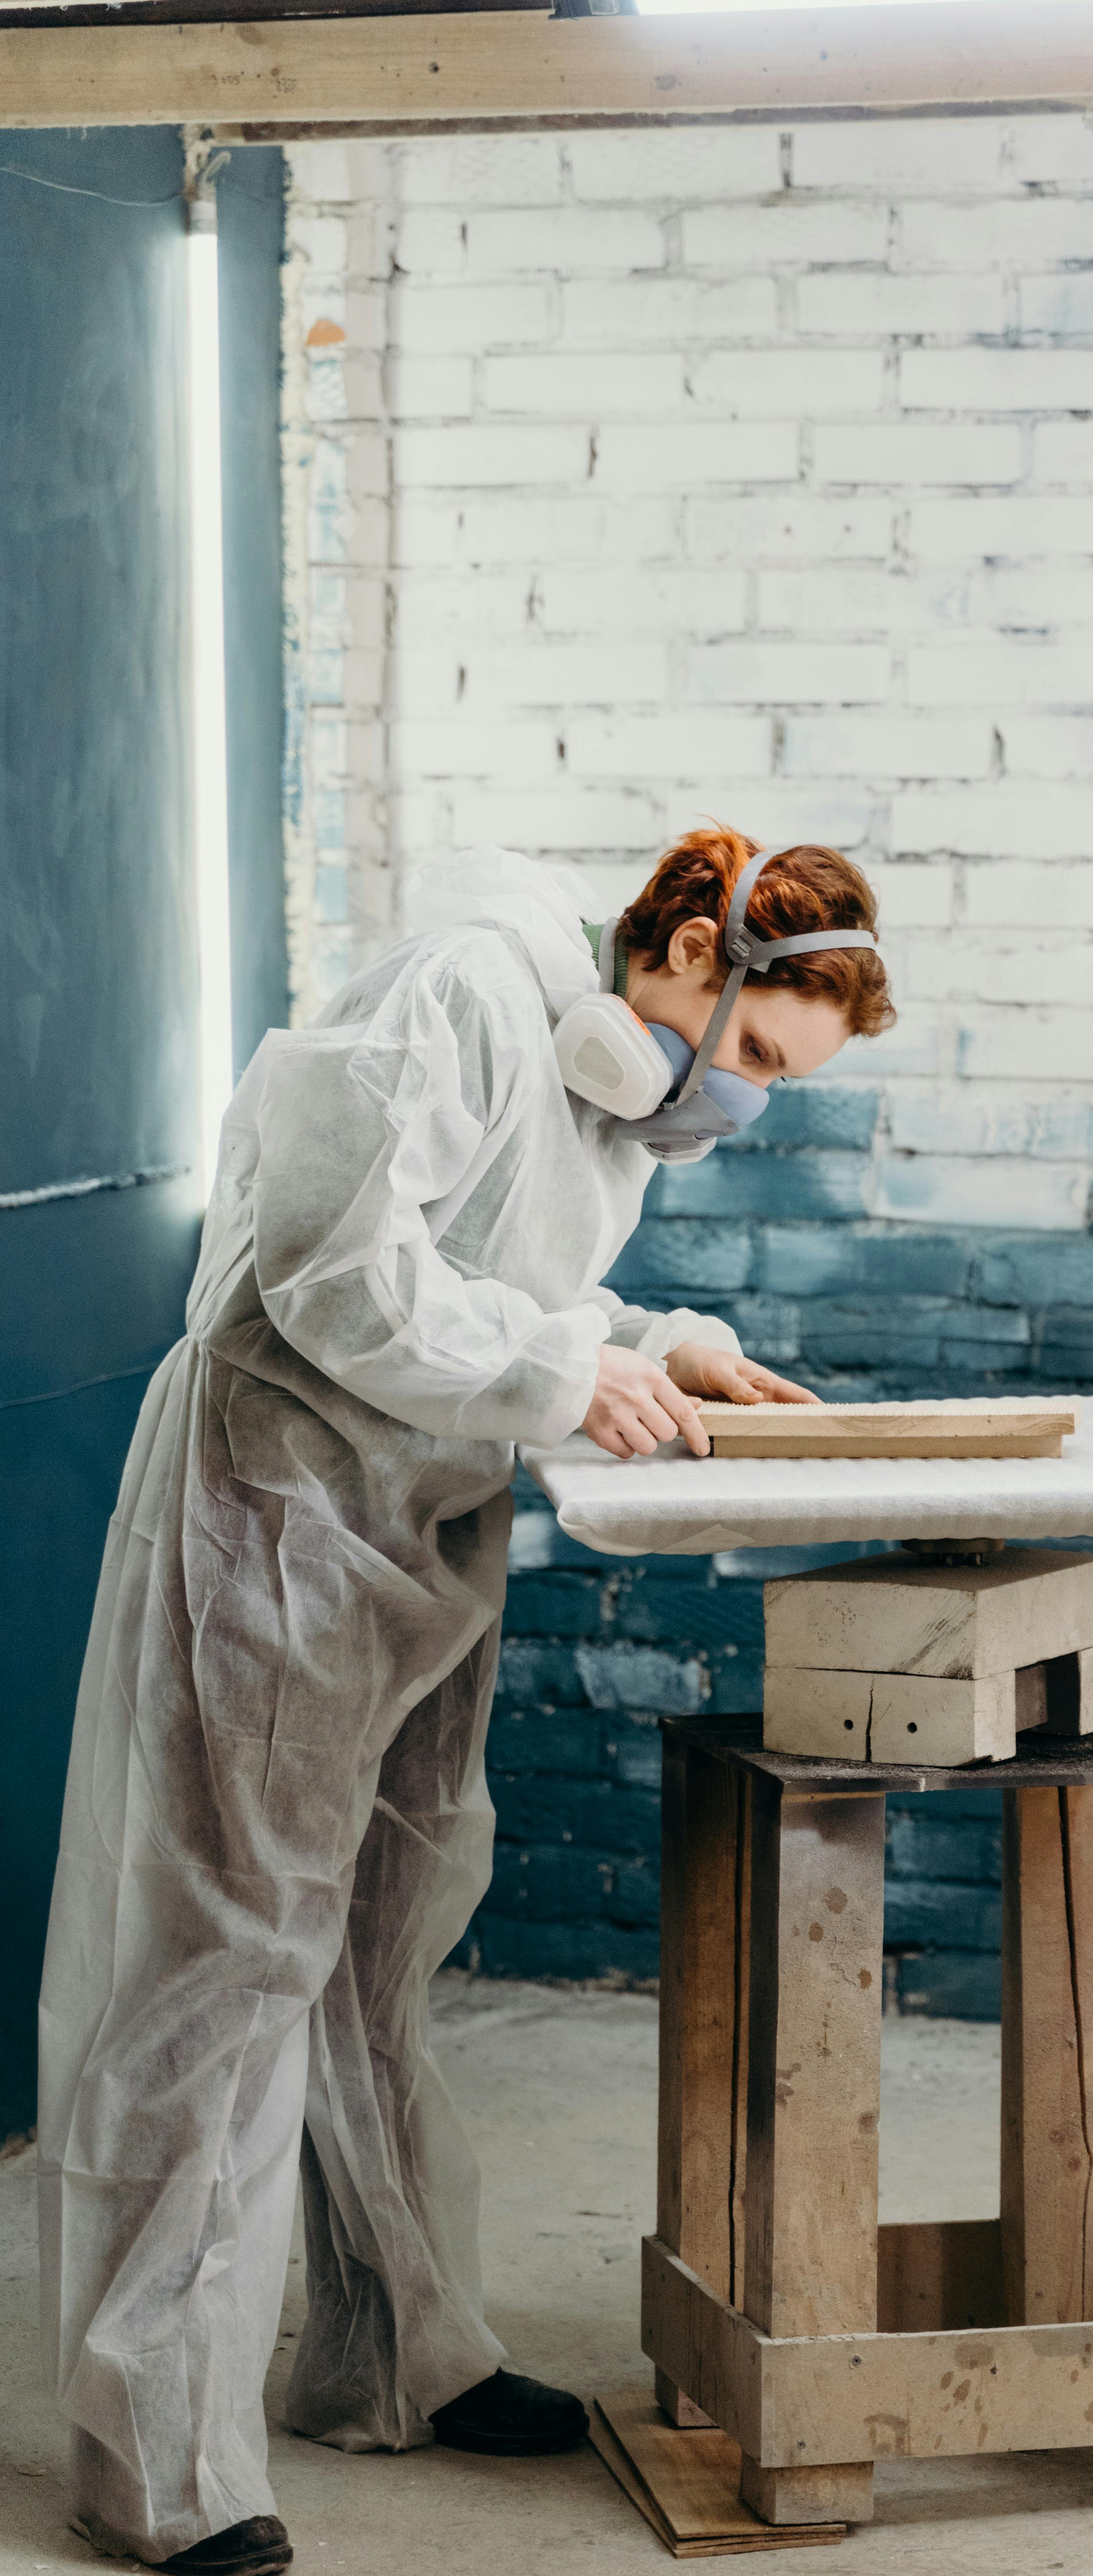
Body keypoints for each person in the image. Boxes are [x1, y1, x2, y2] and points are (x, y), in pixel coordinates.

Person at [36, 828, 894, 2576]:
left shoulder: (601, 1078)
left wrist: (647, 1342)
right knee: (232, 1959)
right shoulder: (463, 987)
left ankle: (399, 2355)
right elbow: (333, 1267)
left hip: (422, 1505)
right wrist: (572, 1372)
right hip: (286, 1498)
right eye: (749, 1058)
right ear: (680, 953)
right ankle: (157, 2461)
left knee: (378, 1936)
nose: (741, 1105)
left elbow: (503, 1271)